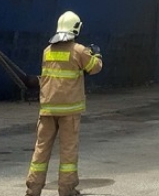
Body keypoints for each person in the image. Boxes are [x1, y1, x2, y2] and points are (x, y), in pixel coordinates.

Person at [25, 11, 103, 196]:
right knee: (68, 152)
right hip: (69, 111)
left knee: (41, 150)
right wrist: (97, 54)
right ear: (76, 28)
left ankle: (33, 189)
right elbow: (94, 68)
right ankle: (67, 190)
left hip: (47, 109)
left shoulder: (47, 51)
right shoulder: (79, 50)